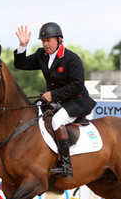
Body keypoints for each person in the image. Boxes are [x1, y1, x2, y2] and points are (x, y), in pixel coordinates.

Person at [14, 22, 96, 179]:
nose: (45, 44)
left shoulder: (72, 59)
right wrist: (22, 46)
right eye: (43, 41)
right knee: (33, 111)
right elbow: (21, 64)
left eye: (49, 40)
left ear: (59, 40)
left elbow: (77, 85)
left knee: (57, 120)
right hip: (56, 101)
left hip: (76, 101)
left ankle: (65, 165)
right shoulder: (42, 55)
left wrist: (54, 95)